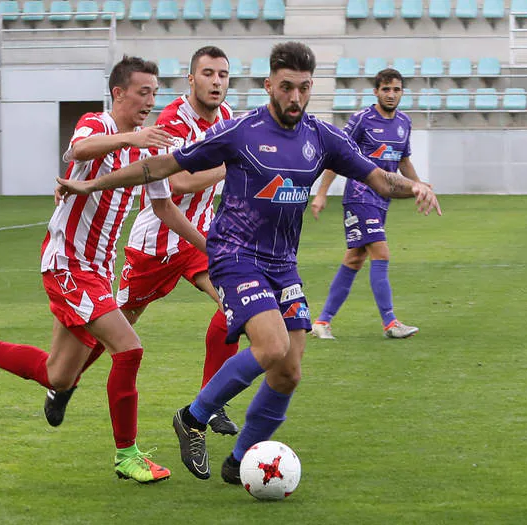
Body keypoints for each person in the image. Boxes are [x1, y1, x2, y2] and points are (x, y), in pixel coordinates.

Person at [55, 41, 441, 484]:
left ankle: (239, 461)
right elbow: (161, 167)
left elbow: (378, 177)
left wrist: (416, 187)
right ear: (268, 86)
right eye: (285, 87)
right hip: (234, 256)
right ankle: (194, 416)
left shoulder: (322, 137)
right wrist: (92, 185)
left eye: (303, 88)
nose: (294, 98)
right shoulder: (241, 131)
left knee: (289, 371)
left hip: (282, 264)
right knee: (271, 346)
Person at [0, 56, 176, 484]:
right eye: (143, 92)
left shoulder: (148, 145)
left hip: (96, 269)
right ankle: (127, 455)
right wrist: (135, 136)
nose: (151, 101)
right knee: (128, 349)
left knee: (59, 374)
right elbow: (79, 149)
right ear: (119, 93)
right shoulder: (98, 124)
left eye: (155, 92)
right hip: (68, 264)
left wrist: (211, 247)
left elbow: (164, 205)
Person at [44, 46, 241, 436]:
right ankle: (65, 382)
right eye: (208, 73)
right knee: (116, 329)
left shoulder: (227, 119)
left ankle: (211, 402)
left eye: (222, 74)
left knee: (234, 304)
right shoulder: (168, 123)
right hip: (154, 247)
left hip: (195, 238)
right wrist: (222, 169)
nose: (216, 82)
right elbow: (177, 183)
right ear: (191, 79)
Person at [310, 68, 424, 340]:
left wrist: (419, 186)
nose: (391, 94)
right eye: (385, 89)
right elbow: (338, 154)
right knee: (381, 253)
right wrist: (322, 193)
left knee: (355, 258)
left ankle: (322, 322)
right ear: (375, 91)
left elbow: (403, 162)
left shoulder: (404, 122)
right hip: (360, 195)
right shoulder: (362, 119)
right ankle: (390, 322)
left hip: (382, 199)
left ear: (402, 92)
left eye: (396, 89)